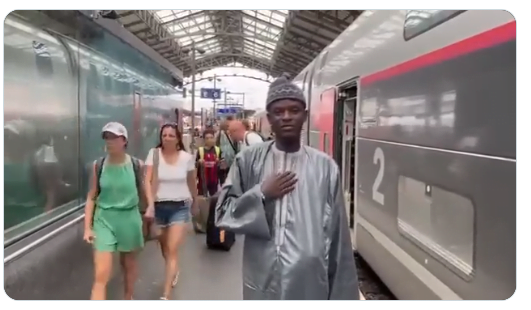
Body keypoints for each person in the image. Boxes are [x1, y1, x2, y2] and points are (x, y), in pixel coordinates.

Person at [215, 74, 359, 300]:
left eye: (294, 110)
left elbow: (338, 237)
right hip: (262, 280)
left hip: (309, 283)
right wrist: (261, 194)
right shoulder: (249, 160)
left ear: (305, 116)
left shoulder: (325, 167)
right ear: (269, 118)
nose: (286, 117)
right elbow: (223, 212)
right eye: (279, 112)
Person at [83, 122, 147, 300]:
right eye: (106, 137)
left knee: (129, 266)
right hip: (104, 219)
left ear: (124, 141)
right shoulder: (98, 165)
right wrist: (87, 227)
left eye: (113, 137)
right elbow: (91, 196)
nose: (109, 141)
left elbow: (144, 191)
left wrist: (150, 211)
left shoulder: (137, 165)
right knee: (101, 275)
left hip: (129, 218)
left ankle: (128, 297)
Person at [144, 122, 198, 300]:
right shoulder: (154, 155)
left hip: (180, 207)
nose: (167, 138)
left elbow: (192, 182)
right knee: (165, 249)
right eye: (164, 135)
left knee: (172, 249)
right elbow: (147, 181)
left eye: (171, 135)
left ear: (178, 139)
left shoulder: (186, 158)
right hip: (158, 207)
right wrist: (150, 205)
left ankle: (165, 295)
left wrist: (195, 201)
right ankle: (173, 270)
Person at [196, 128, 224, 196]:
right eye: (207, 138)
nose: (209, 140)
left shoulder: (217, 150)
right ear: (204, 140)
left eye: (211, 137)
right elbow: (195, 165)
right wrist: (199, 162)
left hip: (214, 180)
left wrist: (219, 162)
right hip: (203, 180)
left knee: (214, 198)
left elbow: (222, 165)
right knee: (202, 199)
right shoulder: (200, 150)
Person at [216, 117, 238, 184]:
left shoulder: (234, 134)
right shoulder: (221, 134)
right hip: (225, 159)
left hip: (230, 159)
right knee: (225, 177)